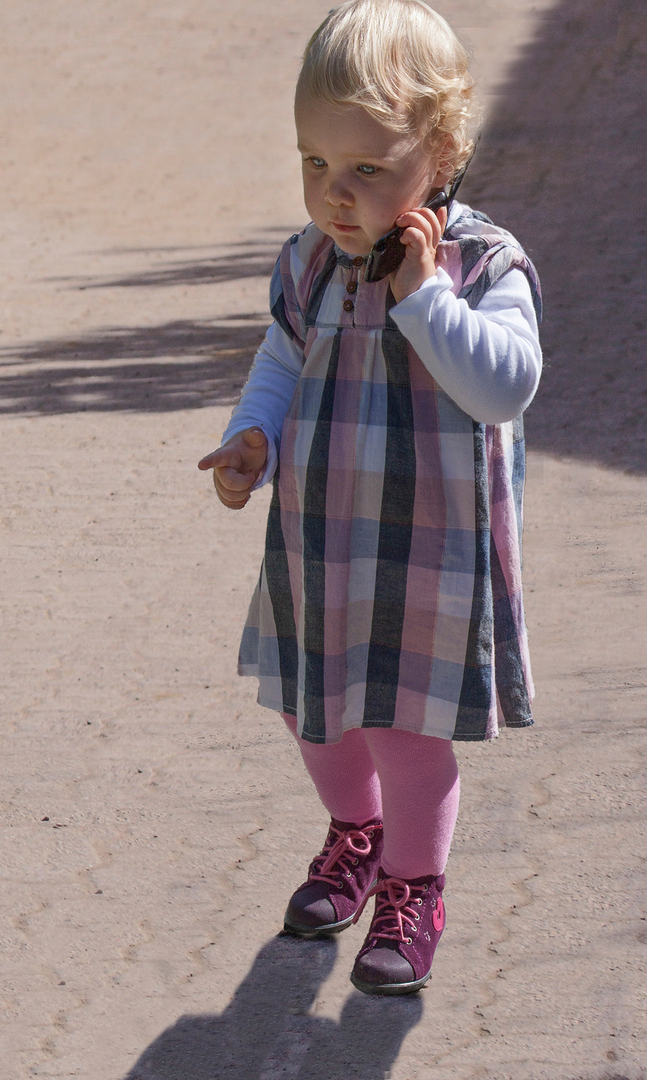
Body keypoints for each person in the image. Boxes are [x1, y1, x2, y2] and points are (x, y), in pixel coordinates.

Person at [197, 0, 542, 996]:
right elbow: (281, 357)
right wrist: (252, 437)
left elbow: (507, 386)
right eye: (313, 164)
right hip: (320, 540)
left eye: (363, 169)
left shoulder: (482, 263)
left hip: (432, 551)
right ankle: (357, 833)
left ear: (437, 155)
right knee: (316, 716)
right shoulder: (310, 262)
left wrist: (426, 298)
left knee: (405, 731)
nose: (333, 194)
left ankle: (413, 886)